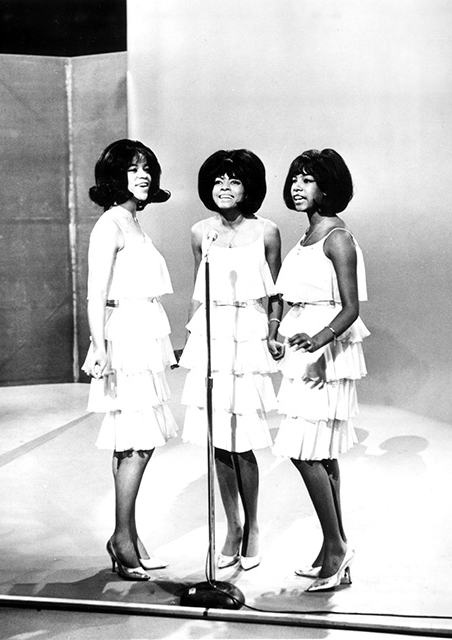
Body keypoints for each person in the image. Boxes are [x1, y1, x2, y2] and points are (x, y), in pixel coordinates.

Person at [179, 149, 283, 571]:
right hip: (213, 337)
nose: (225, 187)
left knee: (244, 443)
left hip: (249, 336)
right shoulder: (199, 231)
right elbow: (199, 289)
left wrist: (274, 333)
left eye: (234, 181)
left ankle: (254, 526)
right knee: (218, 438)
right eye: (218, 180)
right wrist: (186, 345)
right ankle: (232, 526)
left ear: (249, 187)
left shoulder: (268, 231)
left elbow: (276, 292)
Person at [272, 148, 369, 592]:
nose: (296, 186)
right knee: (320, 453)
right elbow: (289, 297)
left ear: (327, 187)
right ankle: (335, 546)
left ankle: (335, 547)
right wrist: (278, 332)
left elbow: (350, 309)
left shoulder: (337, 238)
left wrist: (318, 339)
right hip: (300, 349)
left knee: (307, 451)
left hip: (324, 356)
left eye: (307, 179)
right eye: (295, 178)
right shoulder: (306, 235)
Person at [82, 139, 177, 581]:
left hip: (143, 334)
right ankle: (122, 537)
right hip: (123, 338)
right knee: (137, 439)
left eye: (147, 169)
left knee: (134, 437)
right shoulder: (111, 225)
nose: (143, 176)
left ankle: (129, 535)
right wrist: (98, 346)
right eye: (133, 169)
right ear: (114, 176)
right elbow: (96, 293)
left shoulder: (134, 223)